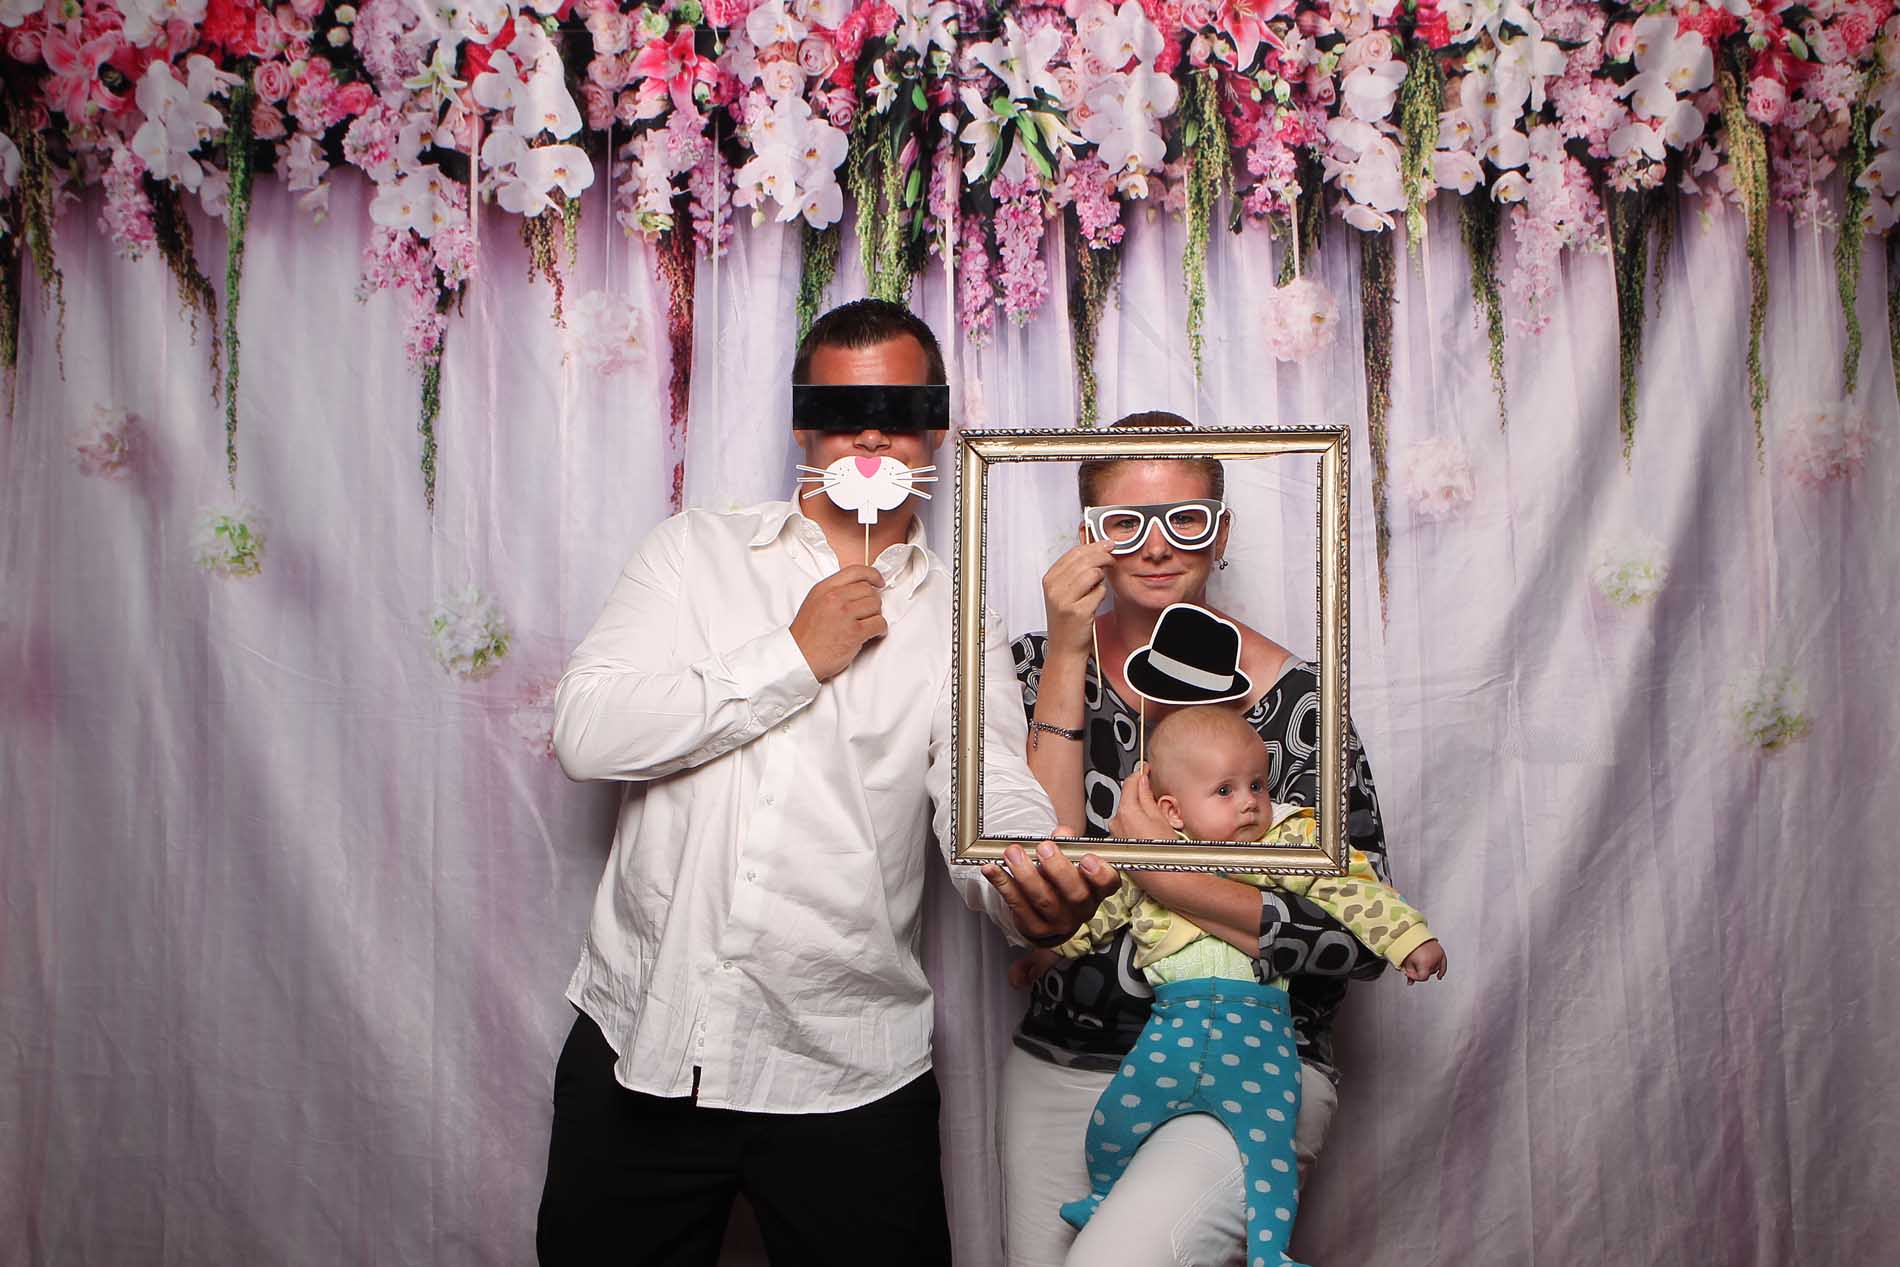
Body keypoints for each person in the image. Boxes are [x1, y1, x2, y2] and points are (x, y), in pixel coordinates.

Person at [537, 299, 1118, 1267]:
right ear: (802, 425)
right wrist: (793, 657)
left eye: (900, 409)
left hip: (847, 1068)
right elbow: (586, 733)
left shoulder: (959, 618)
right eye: (842, 409)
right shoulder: (692, 551)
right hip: (642, 1041)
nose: (871, 433)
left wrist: (1024, 871)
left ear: (937, 428)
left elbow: (986, 785)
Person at [1001, 411, 1402, 1267]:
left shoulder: (1297, 702)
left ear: (1221, 532)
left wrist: (1170, 879)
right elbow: (1037, 861)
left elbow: (1361, 938)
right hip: (1065, 1060)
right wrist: (1068, 650)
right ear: (1090, 537)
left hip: (1252, 1064)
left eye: (1185, 518)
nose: (1157, 547)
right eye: (1126, 524)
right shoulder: (1030, 669)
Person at [1021, 705, 1445, 1266]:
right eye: (1225, 790)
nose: (1249, 802)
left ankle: (1271, 1253)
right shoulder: (1145, 852)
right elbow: (1097, 913)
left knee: (1267, 1152)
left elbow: (1355, 892)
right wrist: (1049, 951)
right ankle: (1101, 1196)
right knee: (1113, 1122)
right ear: (1172, 811)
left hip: (1258, 1042)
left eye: (1257, 785)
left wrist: (1410, 938)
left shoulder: (1283, 843)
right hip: (1170, 1035)